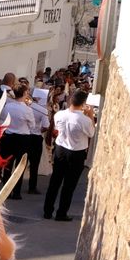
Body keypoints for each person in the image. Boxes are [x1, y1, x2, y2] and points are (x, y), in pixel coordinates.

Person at [45, 89, 96, 221]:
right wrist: (90, 115)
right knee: (69, 185)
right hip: (76, 153)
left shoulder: (59, 114)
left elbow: (56, 127)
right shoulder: (85, 120)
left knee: (55, 181)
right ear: (83, 103)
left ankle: (47, 210)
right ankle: (61, 213)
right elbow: (91, 133)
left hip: (61, 149)